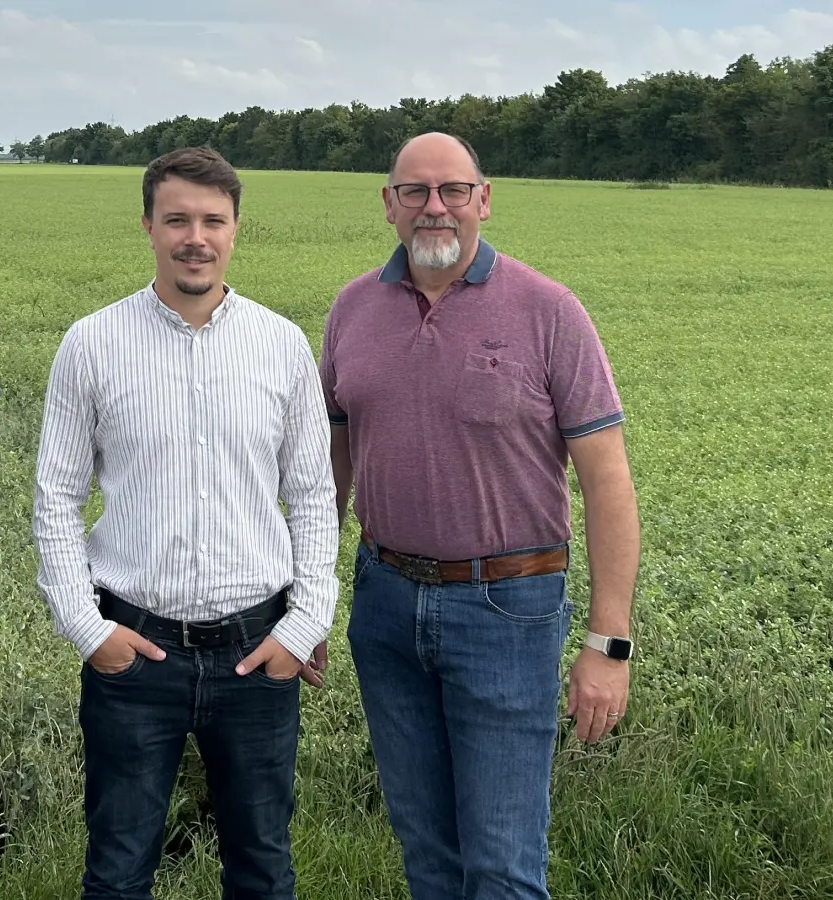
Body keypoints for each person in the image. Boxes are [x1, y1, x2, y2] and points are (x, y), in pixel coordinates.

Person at [317, 131, 640, 900]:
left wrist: (609, 644)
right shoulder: (352, 310)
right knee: (426, 852)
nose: (436, 207)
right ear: (389, 206)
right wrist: (309, 602)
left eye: (453, 190)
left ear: (483, 200)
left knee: (500, 864)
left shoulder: (549, 311)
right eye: (416, 192)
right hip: (385, 605)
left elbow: (608, 483)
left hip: (507, 611)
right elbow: (329, 472)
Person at [31, 145, 340, 900]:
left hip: (257, 653)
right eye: (177, 219)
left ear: (236, 229)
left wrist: (302, 629)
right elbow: (54, 498)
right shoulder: (92, 343)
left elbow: (312, 494)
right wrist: (87, 629)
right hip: (136, 655)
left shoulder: (281, 345)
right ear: (148, 226)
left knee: (263, 868)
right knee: (117, 867)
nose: (194, 236)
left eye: (212, 220)